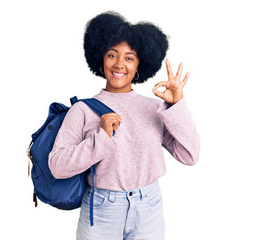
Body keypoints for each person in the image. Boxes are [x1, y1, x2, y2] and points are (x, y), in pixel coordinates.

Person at [48, 11, 200, 240]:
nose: (119, 64)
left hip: (149, 208)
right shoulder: (83, 110)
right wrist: (101, 138)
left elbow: (190, 155)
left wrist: (177, 104)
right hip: (101, 211)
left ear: (139, 65)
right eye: (112, 55)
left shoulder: (154, 108)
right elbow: (57, 166)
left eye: (129, 57)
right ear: (101, 58)